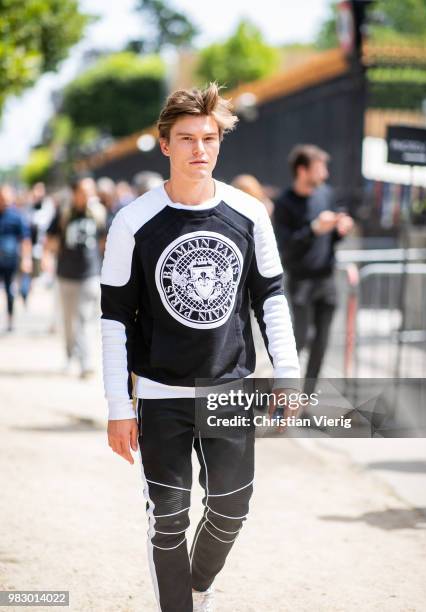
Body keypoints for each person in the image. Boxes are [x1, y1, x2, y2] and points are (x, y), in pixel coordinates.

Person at [101, 83, 300, 612]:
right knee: (167, 518)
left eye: (208, 138)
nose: (199, 150)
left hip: (229, 386)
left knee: (232, 510)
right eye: (186, 139)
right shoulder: (132, 221)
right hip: (161, 392)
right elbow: (114, 319)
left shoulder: (249, 213)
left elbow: (272, 298)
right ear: (164, 144)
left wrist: (289, 372)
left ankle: (196, 586)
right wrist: (119, 407)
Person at [274, 144, 354, 397]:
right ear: (302, 170)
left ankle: (306, 401)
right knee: (297, 341)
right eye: (320, 168)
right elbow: (285, 249)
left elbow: (332, 239)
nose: (326, 174)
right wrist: (313, 229)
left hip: (326, 280)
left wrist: (341, 229)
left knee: (321, 345)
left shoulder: (326, 195)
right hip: (300, 282)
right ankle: (282, 395)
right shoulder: (284, 203)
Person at [43, 177, 106, 377]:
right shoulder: (64, 213)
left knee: (84, 318)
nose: (88, 195)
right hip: (66, 275)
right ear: (75, 192)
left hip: (90, 274)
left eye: (91, 191)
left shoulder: (98, 213)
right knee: (69, 321)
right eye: (84, 191)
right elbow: (50, 239)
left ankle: (86, 362)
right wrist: (48, 256)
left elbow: (105, 240)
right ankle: (70, 356)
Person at [0, 184, 32, 331]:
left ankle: (10, 319)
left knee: (9, 290)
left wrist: (26, 259)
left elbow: (25, 239)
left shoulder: (16, 216)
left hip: (10, 260)